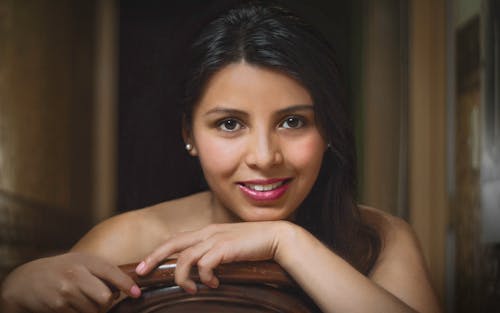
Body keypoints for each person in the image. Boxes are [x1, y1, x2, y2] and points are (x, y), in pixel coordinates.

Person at [1, 1, 442, 312]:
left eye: (293, 122)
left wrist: (287, 243)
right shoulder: (126, 242)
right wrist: (13, 295)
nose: (265, 157)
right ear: (189, 134)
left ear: (328, 130)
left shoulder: (380, 238)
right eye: (230, 124)